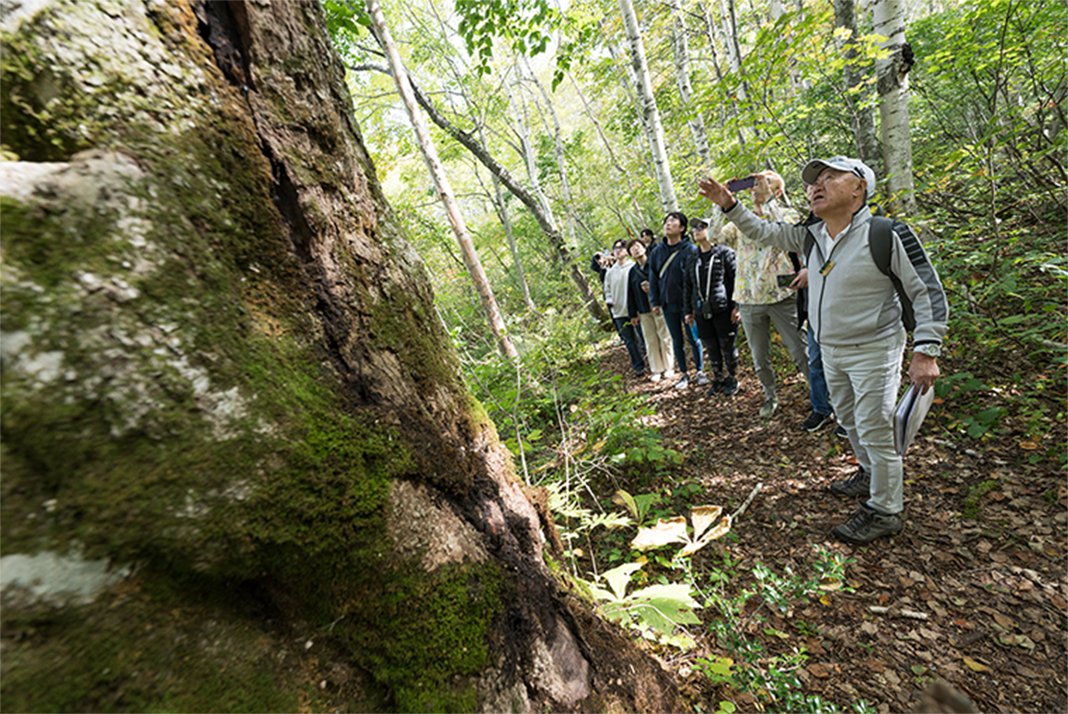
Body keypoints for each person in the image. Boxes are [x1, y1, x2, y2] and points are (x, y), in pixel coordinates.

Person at [698, 156, 948, 545]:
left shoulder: (885, 234)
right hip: (830, 348)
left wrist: (926, 350)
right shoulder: (812, 234)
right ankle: (869, 474)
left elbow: (926, 290)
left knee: (876, 427)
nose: (817, 185)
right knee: (848, 418)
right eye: (815, 180)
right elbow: (764, 232)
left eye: (830, 177)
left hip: (875, 348)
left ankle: (885, 509)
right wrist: (730, 204)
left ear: (859, 188)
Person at [718, 171, 810, 419]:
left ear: (778, 192)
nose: (758, 187)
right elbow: (714, 237)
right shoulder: (739, 220)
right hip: (748, 299)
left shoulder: (788, 214)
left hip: (782, 295)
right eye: (756, 183)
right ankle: (771, 396)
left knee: (801, 351)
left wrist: (768, 201)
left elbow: (787, 232)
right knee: (760, 358)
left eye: (766, 183)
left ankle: (821, 395)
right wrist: (722, 204)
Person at [648, 212, 707, 390]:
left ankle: (700, 370)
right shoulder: (657, 252)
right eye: (666, 221)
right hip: (668, 303)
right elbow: (653, 278)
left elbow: (696, 278)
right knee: (676, 340)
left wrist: (694, 303)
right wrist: (655, 301)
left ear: (682, 228)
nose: (668, 224)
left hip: (687, 304)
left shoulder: (690, 249)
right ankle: (684, 374)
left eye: (673, 221)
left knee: (694, 337)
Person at [683, 218, 739, 395]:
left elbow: (735, 281)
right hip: (701, 311)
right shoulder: (692, 258)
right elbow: (688, 287)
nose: (697, 231)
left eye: (701, 227)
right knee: (711, 348)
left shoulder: (725, 253)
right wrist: (688, 311)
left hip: (723, 310)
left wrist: (737, 306)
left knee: (727, 345)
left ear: (713, 230)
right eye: (694, 228)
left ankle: (732, 379)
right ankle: (718, 379)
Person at [626, 239, 674, 382]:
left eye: (638, 246)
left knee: (665, 336)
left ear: (645, 248)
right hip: (643, 309)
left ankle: (669, 367)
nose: (636, 250)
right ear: (630, 254)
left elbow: (665, 282)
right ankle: (656, 369)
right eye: (632, 249)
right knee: (650, 340)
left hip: (659, 306)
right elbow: (630, 293)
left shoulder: (655, 265)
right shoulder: (632, 272)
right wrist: (632, 313)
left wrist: (653, 289)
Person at [603, 239, 647, 377]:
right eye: (615, 248)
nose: (618, 250)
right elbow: (607, 290)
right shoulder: (610, 272)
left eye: (621, 248)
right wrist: (609, 300)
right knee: (629, 341)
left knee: (644, 336)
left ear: (627, 251)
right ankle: (638, 366)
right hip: (618, 311)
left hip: (636, 310)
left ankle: (653, 361)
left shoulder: (632, 267)